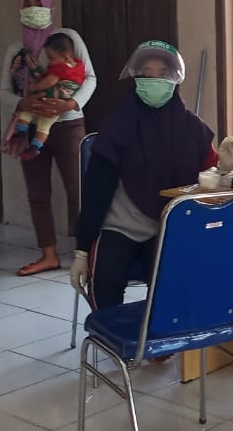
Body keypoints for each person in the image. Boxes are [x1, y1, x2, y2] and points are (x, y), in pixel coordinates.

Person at [69, 41, 217, 310]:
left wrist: (229, 165)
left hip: (168, 225)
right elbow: (96, 190)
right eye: (146, 74)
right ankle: (109, 333)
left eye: (162, 73)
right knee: (106, 278)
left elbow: (213, 175)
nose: (154, 80)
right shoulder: (117, 124)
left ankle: (158, 332)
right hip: (120, 226)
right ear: (136, 78)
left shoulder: (191, 128)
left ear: (174, 79)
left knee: (172, 283)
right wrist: (82, 250)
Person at [0, 0, 96, 276]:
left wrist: (70, 104)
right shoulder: (17, 50)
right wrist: (23, 103)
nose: (33, 8)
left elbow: (90, 78)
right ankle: (49, 255)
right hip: (31, 127)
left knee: (79, 191)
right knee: (37, 194)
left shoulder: (68, 38)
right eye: (27, 3)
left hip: (68, 125)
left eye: (37, 2)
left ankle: (88, 255)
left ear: (50, 7)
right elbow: (4, 91)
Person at [10, 32, 86, 158]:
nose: (49, 62)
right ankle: (35, 146)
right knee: (44, 125)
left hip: (49, 101)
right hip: (58, 106)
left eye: (51, 58)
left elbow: (49, 81)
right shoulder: (78, 66)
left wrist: (34, 87)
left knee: (27, 113)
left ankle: (21, 133)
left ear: (66, 57)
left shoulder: (61, 68)